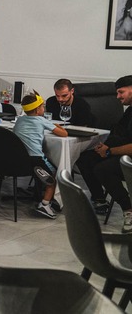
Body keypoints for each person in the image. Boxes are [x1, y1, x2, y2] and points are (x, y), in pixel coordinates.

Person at [75, 75, 132, 231]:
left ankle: (128, 210)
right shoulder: (130, 111)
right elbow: (119, 133)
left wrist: (110, 151)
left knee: (103, 169)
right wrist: (104, 147)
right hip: (120, 152)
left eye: (121, 92)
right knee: (85, 159)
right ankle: (99, 199)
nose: (117, 97)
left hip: (129, 158)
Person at [14, 91, 68, 219]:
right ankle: (45, 204)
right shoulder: (41, 120)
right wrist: (55, 124)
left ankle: (41, 192)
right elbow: (64, 134)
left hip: (20, 159)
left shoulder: (20, 120)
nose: (44, 108)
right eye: (42, 106)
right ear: (38, 109)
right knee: (52, 177)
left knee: (46, 173)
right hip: (36, 158)